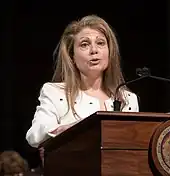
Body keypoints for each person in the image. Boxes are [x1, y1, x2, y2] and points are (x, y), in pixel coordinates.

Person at [26, 14, 139, 149]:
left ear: (110, 51)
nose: (94, 50)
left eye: (101, 43)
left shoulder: (128, 99)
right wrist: (66, 130)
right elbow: (34, 135)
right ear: (72, 56)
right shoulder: (56, 93)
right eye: (85, 44)